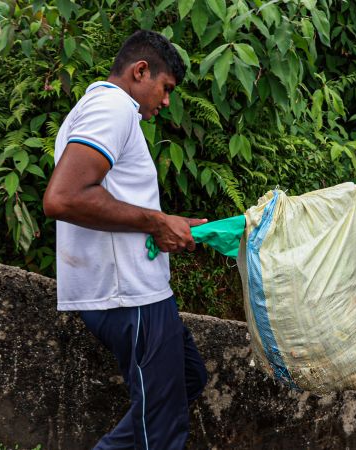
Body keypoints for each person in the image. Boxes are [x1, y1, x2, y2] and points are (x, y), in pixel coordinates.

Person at [43, 30, 208, 449]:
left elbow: (112, 195)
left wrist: (164, 223)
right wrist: (156, 222)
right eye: (165, 88)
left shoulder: (106, 109)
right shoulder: (112, 107)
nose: (166, 101)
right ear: (140, 71)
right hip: (130, 298)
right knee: (162, 433)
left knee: (189, 378)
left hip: (139, 294)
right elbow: (64, 197)